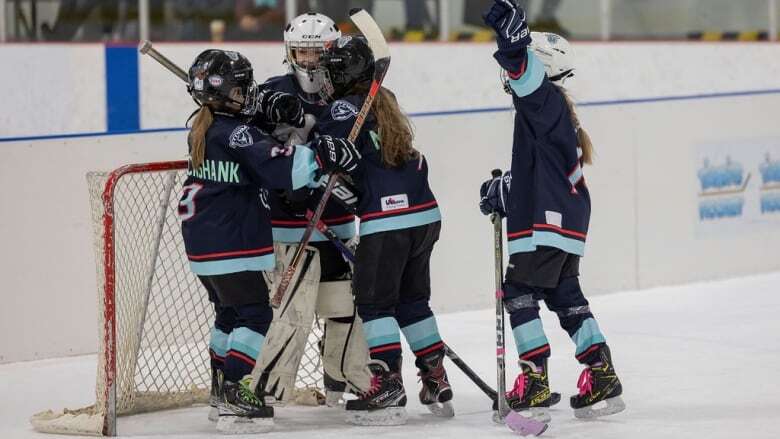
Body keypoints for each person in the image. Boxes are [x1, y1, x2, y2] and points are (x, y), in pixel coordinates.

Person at [180, 48, 361, 433]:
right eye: (243, 89)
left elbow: (250, 143)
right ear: (224, 93)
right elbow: (281, 164)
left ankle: (219, 391)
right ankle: (235, 393)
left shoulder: (203, 126)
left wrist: (269, 113)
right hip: (232, 241)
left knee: (229, 315)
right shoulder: (237, 132)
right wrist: (324, 155)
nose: (249, 95)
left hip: (203, 245)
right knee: (256, 314)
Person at [479, 0, 624, 421]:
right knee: (565, 295)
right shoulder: (550, 113)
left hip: (545, 224)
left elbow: (522, 73)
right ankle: (601, 371)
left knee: (519, 290)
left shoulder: (542, 103)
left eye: (522, 67)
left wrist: (513, 43)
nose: (509, 75)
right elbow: (538, 175)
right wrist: (505, 188)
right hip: (565, 222)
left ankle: (534, 378)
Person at [315, 36, 453, 426]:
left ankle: (388, 384)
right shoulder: (385, 99)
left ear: (344, 74)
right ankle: (435, 377)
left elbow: (324, 156)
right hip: (424, 215)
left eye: (331, 71)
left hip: (387, 220)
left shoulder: (342, 107)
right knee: (412, 303)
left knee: (375, 305)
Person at [247, 12, 373, 407]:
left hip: (338, 224)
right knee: (292, 315)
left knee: (350, 309)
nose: (309, 62)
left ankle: (346, 381)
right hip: (289, 229)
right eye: (301, 52)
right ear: (289, 53)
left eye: (318, 53)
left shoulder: (346, 91)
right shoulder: (271, 91)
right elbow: (249, 149)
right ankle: (263, 393)